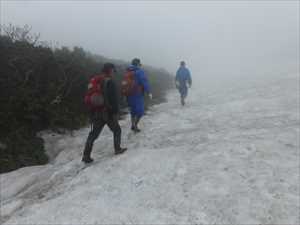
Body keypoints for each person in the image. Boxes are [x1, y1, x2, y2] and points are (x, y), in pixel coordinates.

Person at [82, 63, 127, 163]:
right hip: (108, 112)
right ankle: (117, 149)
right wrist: (115, 111)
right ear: (110, 70)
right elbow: (113, 99)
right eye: (113, 71)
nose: (113, 73)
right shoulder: (109, 82)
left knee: (93, 134)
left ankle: (86, 155)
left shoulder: (95, 80)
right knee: (117, 130)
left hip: (96, 112)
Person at [126, 58, 152, 133]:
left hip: (129, 94)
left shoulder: (128, 71)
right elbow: (144, 81)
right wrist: (149, 91)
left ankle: (133, 124)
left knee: (133, 111)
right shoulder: (139, 71)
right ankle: (135, 125)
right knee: (140, 111)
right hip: (137, 94)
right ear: (138, 64)